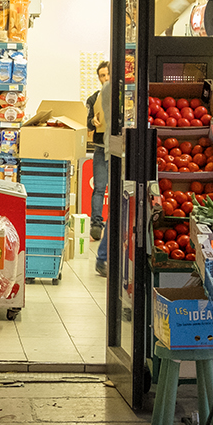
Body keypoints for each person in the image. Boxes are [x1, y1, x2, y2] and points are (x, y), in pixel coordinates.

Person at [85, 62, 110, 244]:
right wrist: (93, 121)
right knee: (100, 188)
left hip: (119, 149)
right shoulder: (94, 99)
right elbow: (88, 124)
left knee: (120, 189)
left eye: (107, 74)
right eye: (101, 75)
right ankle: (96, 225)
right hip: (101, 147)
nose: (105, 78)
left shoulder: (124, 96)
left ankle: (115, 226)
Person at [93, 65, 112, 277]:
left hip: (111, 151)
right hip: (110, 152)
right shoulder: (108, 90)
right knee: (100, 189)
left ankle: (104, 257)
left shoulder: (108, 90)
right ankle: (103, 257)